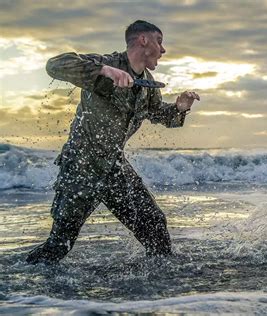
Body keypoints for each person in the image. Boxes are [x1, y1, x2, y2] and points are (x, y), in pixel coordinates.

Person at [26, 20, 200, 264]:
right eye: (159, 42)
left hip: (115, 169)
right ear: (143, 40)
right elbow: (55, 65)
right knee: (58, 246)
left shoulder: (147, 85)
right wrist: (104, 71)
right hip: (82, 167)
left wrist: (179, 108)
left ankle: (155, 290)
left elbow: (159, 113)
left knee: (156, 229)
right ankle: (21, 294)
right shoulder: (106, 63)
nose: (163, 50)